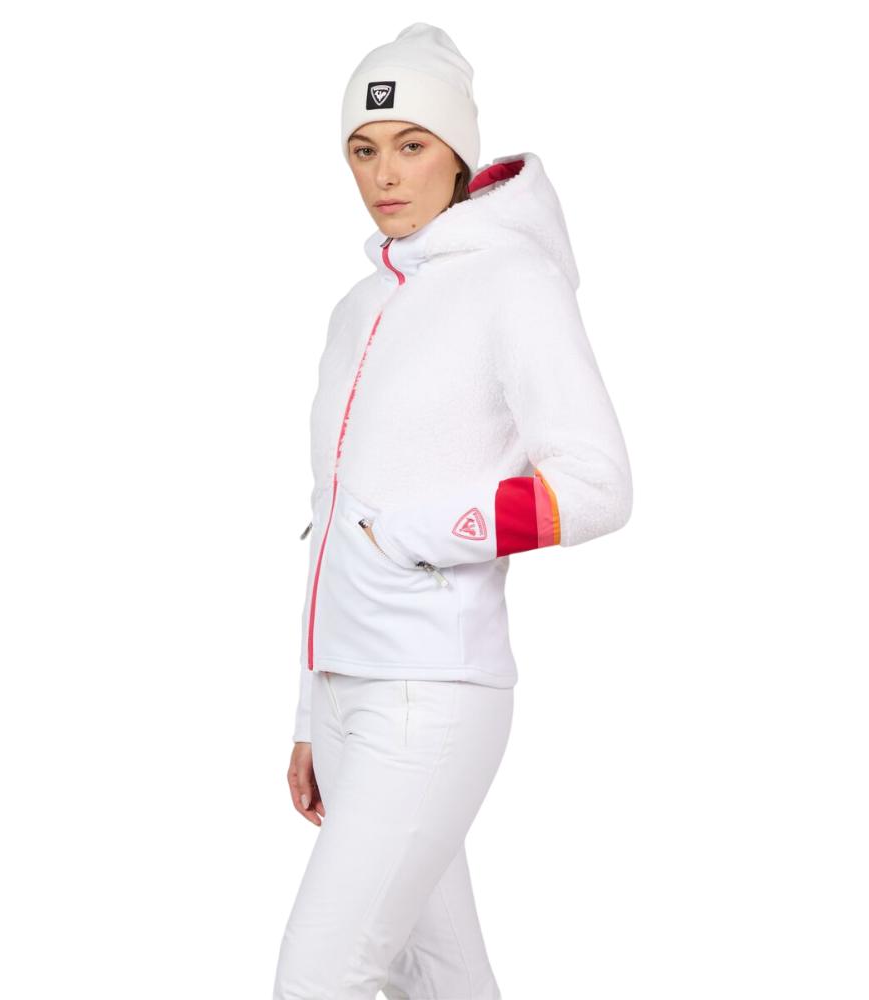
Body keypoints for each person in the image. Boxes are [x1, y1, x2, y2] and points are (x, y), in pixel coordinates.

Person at [272, 22, 633, 1000]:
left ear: (459, 151)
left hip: (429, 692)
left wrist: (416, 535)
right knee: (439, 977)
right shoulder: (357, 310)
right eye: (363, 149)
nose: (385, 174)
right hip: (346, 695)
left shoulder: (512, 282)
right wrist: (310, 706)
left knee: (318, 976)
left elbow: (596, 482)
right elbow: (329, 512)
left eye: (412, 144)